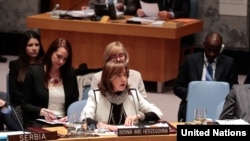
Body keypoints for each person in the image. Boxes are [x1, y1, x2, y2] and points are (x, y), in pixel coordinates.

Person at [173, 32, 238, 122]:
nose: (212, 54)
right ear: (204, 45)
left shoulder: (229, 63)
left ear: (221, 48)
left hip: (220, 105)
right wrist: (192, 94)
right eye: (209, 49)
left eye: (216, 50)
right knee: (197, 127)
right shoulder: (190, 61)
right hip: (196, 104)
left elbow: (235, 90)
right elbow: (177, 87)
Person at [80, 61, 163, 131]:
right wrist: (99, 125)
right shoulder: (95, 95)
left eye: (125, 75)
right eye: (119, 75)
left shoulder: (133, 94)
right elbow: (84, 119)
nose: (123, 79)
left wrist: (139, 116)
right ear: (108, 78)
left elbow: (158, 113)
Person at [21, 37, 79, 128]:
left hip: (63, 122)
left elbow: (74, 102)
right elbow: (24, 105)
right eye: (59, 57)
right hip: (39, 121)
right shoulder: (34, 71)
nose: (61, 61)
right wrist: (41, 111)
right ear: (51, 52)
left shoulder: (69, 72)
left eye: (65, 59)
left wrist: (69, 116)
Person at [9, 30, 45, 107]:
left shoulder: (45, 64)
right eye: (30, 45)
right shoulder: (15, 65)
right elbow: (13, 91)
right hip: (22, 104)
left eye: (37, 45)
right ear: (24, 47)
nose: (34, 48)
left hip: (42, 105)